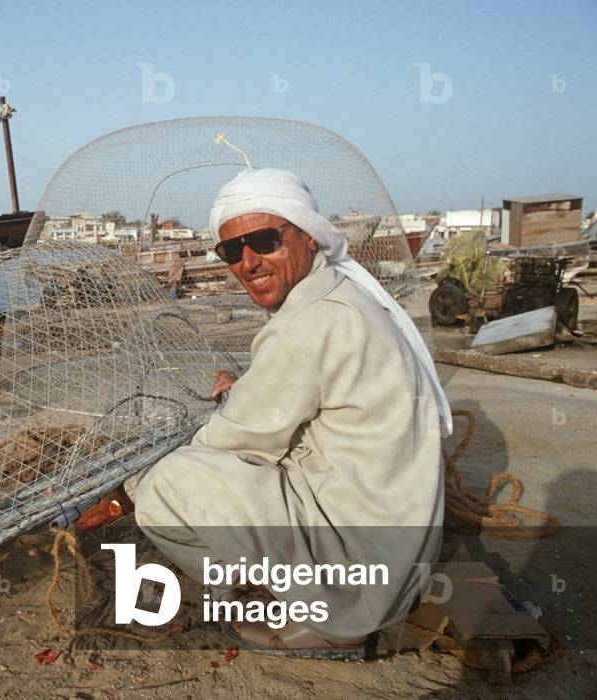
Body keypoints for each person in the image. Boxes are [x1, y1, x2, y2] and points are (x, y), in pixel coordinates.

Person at [78, 167, 452, 658]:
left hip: (369, 564)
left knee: (165, 483)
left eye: (264, 241)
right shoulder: (337, 298)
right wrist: (246, 389)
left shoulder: (307, 324)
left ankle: (332, 620)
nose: (248, 262)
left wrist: (121, 495)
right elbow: (300, 387)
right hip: (399, 541)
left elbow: (233, 438)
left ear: (309, 239)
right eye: (232, 251)